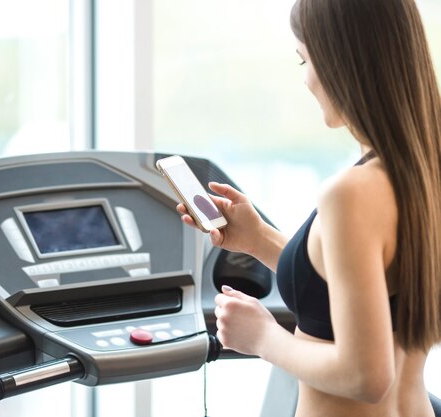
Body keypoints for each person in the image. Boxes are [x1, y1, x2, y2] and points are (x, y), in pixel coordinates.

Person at [177, 0, 441, 415]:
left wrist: (261, 337)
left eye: (304, 58)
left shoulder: (351, 193)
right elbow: (363, 295)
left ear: (342, 59)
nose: (306, 79)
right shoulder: (425, 170)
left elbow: (366, 375)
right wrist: (258, 238)